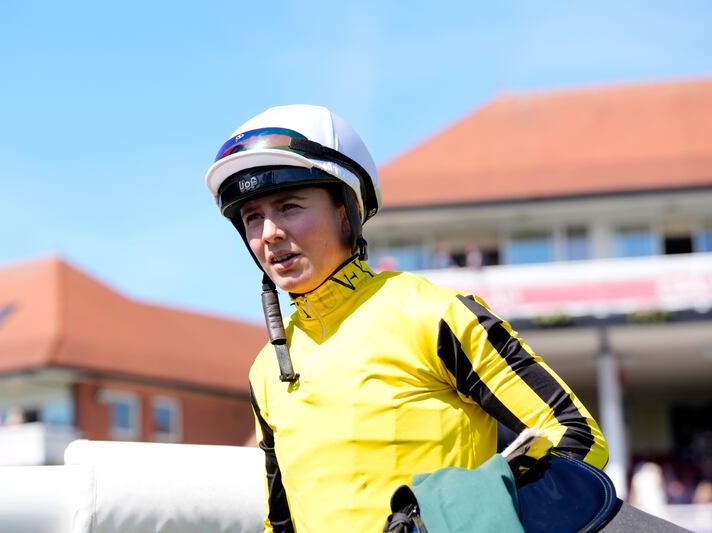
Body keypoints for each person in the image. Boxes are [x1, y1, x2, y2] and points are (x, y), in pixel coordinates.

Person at [205, 104, 608, 532]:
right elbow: (280, 522)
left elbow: (577, 436)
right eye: (252, 217)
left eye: (289, 206)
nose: (269, 233)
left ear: (346, 211)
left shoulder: (434, 315)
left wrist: (468, 519)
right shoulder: (267, 369)